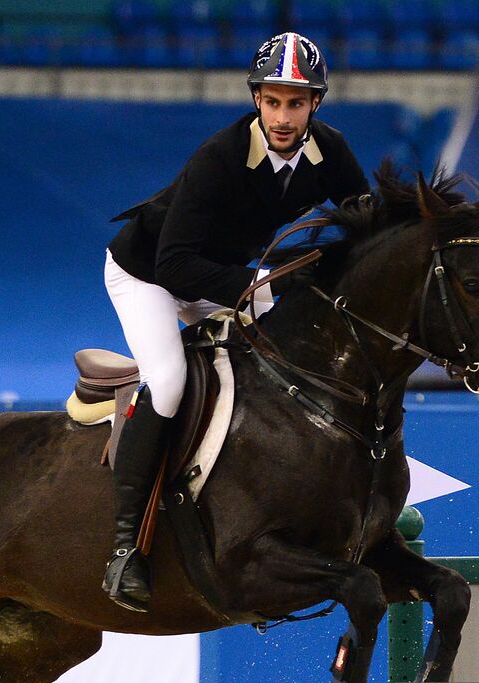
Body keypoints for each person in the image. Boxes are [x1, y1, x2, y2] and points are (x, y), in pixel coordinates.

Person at [102, 32, 370, 612]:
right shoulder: (220, 158)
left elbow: (364, 224)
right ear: (257, 100)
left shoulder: (331, 152)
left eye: (295, 103)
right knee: (169, 381)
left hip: (220, 274)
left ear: (315, 105)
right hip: (147, 274)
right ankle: (125, 547)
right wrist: (262, 284)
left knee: (286, 349)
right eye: (272, 101)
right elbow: (174, 262)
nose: (282, 115)